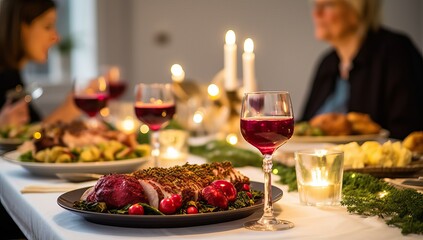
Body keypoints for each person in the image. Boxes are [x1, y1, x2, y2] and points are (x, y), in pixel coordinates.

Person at [300, 0, 423, 140]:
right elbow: (304, 126)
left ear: (357, 11)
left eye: (328, 5)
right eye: (316, 6)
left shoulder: (396, 51)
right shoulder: (327, 63)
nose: (316, 13)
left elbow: (409, 131)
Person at [0, 0, 81, 127]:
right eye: (47, 26)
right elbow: (29, 141)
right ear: (20, 27)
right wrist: (68, 110)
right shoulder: (5, 79)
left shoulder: (13, 76)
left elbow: (29, 133)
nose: (56, 37)